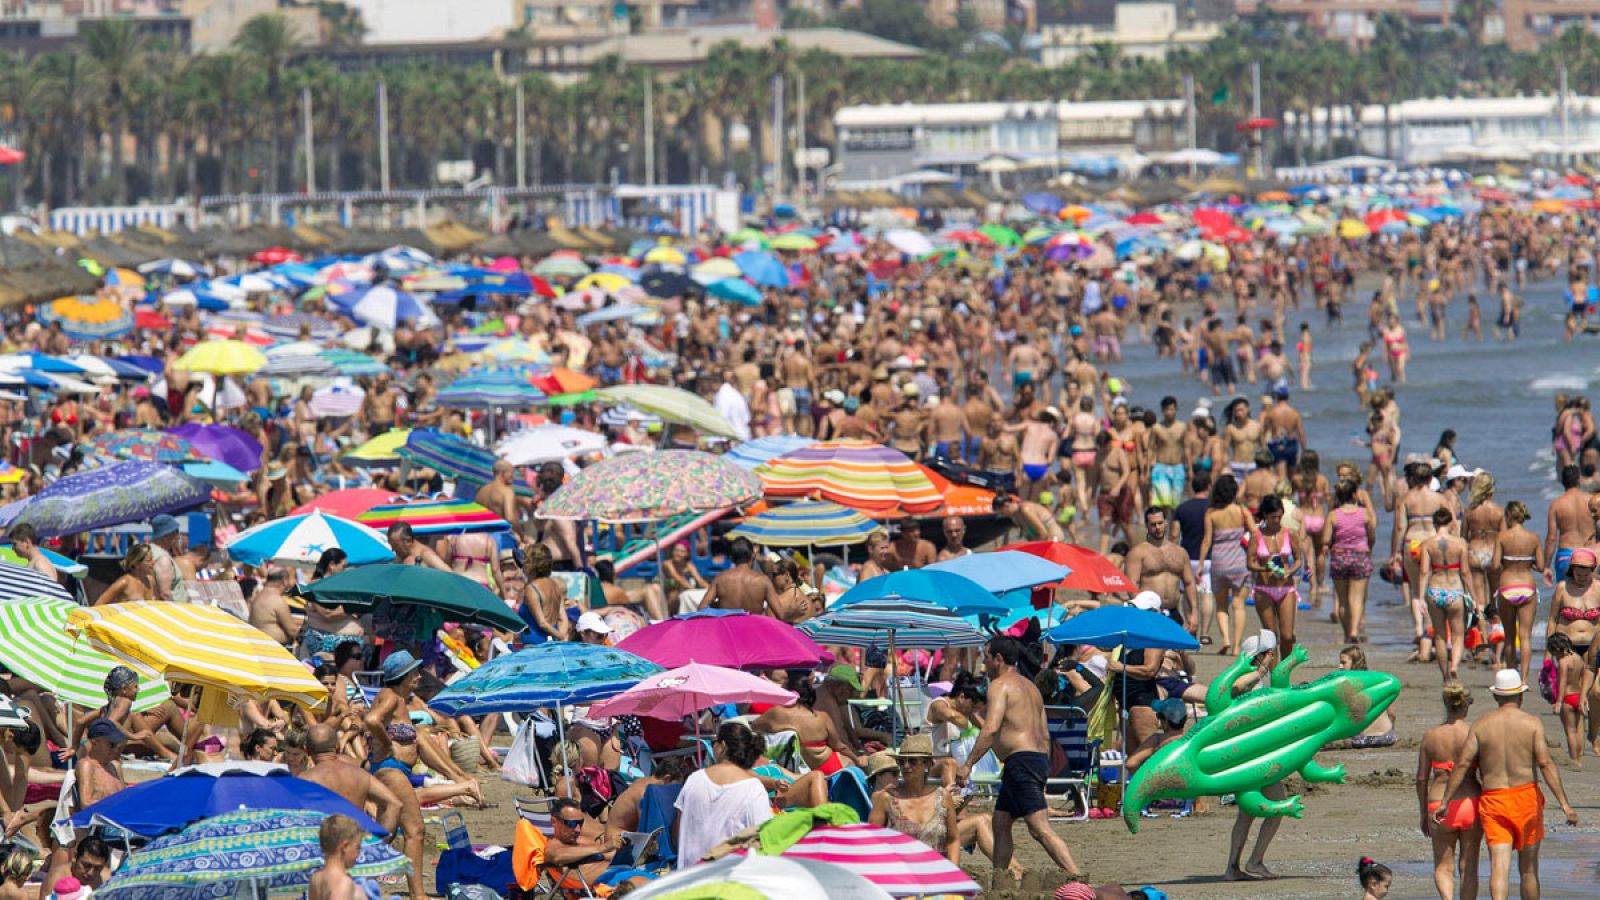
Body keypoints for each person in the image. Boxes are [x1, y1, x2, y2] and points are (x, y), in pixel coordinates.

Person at [1435, 670, 1578, 900]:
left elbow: (1462, 764)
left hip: (1494, 801)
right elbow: (1545, 763)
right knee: (1529, 870)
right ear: (1520, 697)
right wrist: (1565, 805)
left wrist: (1445, 801)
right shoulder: (1531, 723)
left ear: (1496, 697)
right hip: (1526, 799)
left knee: (1499, 868)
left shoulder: (1481, 725)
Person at [958, 636, 1081, 887]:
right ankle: (1000, 882)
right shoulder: (1031, 687)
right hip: (1031, 760)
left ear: (998, 659)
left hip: (1021, 761)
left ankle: (1080, 879)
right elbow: (1045, 734)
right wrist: (1042, 767)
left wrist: (968, 764)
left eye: (986, 656)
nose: (984, 662)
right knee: (1001, 821)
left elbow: (990, 729)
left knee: (1039, 828)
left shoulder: (999, 685)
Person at [674, 722, 772, 869]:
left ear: (723, 745)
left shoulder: (694, 779)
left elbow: (677, 831)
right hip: (730, 882)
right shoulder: (754, 788)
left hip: (689, 879)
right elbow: (763, 842)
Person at [1417, 681, 1481, 900]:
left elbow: (1421, 778)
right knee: (1468, 866)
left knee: (1443, 866)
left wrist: (1423, 813)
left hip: (1438, 804)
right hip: (1470, 804)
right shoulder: (1474, 733)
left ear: (1446, 703)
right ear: (1467, 704)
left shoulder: (1431, 735)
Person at [301, 723, 402, 837]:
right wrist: (380, 843)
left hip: (324, 847)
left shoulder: (305, 780)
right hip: (355, 846)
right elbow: (394, 804)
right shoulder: (361, 774)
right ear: (338, 747)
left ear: (306, 750)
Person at [753, 677, 857, 775]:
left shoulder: (777, 713)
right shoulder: (821, 717)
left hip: (796, 769)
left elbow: (754, 726)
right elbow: (839, 746)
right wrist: (857, 759)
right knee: (852, 764)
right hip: (829, 765)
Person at [1200, 474, 1254, 655]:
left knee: (1221, 605)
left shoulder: (1211, 514)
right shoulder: (1241, 511)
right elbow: (1255, 532)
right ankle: (1237, 646)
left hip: (1219, 562)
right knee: (1238, 605)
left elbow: (1207, 540)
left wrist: (1201, 564)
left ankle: (1226, 639)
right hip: (1239, 561)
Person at [1493, 500, 1544, 687]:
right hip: (1527, 586)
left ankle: (1511, 676)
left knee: (1509, 635)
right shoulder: (1534, 537)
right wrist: (1525, 563)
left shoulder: (1502, 537)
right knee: (1525, 636)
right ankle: (1524, 679)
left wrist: (1509, 563)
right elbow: (1540, 565)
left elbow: (1494, 565)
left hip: (1507, 586)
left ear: (1508, 515)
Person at [1247, 496, 1303, 662]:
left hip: (1286, 588)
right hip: (1263, 589)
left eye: (1279, 516)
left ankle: (1284, 671)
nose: (1276, 520)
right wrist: (1263, 568)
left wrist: (1290, 571)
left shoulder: (1290, 534)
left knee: (1287, 636)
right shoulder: (1256, 536)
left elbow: (1299, 559)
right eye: (1273, 517)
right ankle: (1274, 676)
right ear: (1265, 515)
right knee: (1271, 637)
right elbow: (1250, 563)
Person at [1418, 507, 1471, 682]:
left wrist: (1420, 598)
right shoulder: (1461, 543)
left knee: (1439, 635)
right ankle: (1454, 665)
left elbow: (1424, 572)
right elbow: (1465, 572)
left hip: (1435, 591)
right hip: (1455, 591)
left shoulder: (1427, 544)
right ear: (1450, 522)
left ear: (1434, 524)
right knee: (1458, 634)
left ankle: (1445, 675)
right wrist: (1474, 596)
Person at [1124, 506, 1198, 628]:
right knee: (1149, 647)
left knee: (1175, 647)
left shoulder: (1180, 552)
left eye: (1160, 523)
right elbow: (1132, 585)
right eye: (1153, 524)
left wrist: (1194, 612)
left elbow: (1189, 583)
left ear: (1166, 522)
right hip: (1148, 613)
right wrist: (1146, 609)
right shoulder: (1138, 552)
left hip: (1173, 613)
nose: (1158, 528)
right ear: (1146, 526)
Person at [1322, 479, 1375, 644]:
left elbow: (1325, 539)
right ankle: (1354, 630)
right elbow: (1371, 536)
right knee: (1357, 598)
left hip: (1339, 557)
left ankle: (1347, 634)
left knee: (1343, 599)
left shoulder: (1333, 515)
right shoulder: (1364, 513)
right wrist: (1367, 547)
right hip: (1360, 556)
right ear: (1354, 494)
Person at [703, 537, 778, 616]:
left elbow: (702, 608)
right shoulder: (763, 580)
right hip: (753, 626)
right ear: (753, 555)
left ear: (731, 558)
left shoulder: (720, 578)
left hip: (729, 626)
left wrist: (718, 604)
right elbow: (781, 614)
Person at [308, 814, 365, 900]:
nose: (358, 853)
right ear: (345, 846)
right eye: (358, 847)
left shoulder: (316, 879)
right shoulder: (343, 883)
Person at [40, 836, 109, 897]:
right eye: (86, 865)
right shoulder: (56, 879)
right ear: (75, 857)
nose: (91, 873)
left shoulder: (105, 879)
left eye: (98, 868)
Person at [146, 513, 188, 602]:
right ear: (167, 535)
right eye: (176, 532)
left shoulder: (150, 551)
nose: (178, 537)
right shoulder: (162, 558)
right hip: (173, 610)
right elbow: (165, 594)